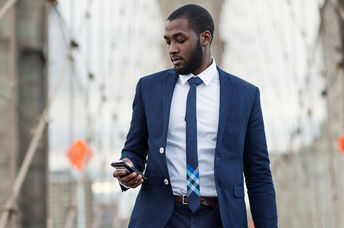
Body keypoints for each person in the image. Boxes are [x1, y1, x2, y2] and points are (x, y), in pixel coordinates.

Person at [113, 4, 277, 228]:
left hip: (221, 219)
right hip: (161, 218)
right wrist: (129, 166)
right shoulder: (148, 88)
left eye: (180, 40)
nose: (171, 49)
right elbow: (134, 149)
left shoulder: (245, 95)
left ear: (205, 38)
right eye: (168, 41)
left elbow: (258, 174)